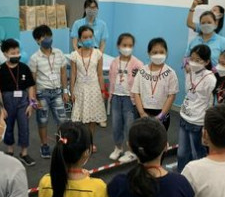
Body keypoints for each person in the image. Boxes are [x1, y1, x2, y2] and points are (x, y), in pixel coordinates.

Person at [29, 25, 69, 159]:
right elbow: (33, 80)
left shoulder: (59, 53)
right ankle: (44, 145)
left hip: (57, 92)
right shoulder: (34, 58)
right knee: (42, 121)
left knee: (62, 120)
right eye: (43, 37)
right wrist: (34, 98)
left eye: (49, 36)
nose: (47, 39)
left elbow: (63, 73)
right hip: (42, 94)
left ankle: (60, 145)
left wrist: (65, 91)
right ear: (37, 40)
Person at [0, 38, 37, 166]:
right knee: (8, 126)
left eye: (18, 52)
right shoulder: (0, 69)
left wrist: (31, 104)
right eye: (12, 53)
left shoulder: (24, 68)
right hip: (7, 101)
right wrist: (1, 107)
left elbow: (30, 86)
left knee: (24, 127)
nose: (16, 55)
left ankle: (24, 153)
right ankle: (10, 151)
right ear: (5, 54)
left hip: (23, 101)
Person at [178, 44, 217, 172]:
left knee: (197, 155)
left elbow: (210, 103)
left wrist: (206, 125)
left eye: (198, 60)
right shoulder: (189, 71)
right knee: (182, 153)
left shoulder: (210, 79)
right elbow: (188, 92)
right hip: (184, 116)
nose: (193, 62)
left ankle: (198, 178)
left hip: (197, 122)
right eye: (192, 59)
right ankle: (181, 176)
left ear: (206, 62)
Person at [70, 26, 107, 152]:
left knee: (92, 119)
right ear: (80, 39)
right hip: (80, 89)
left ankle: (90, 143)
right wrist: (71, 91)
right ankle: (81, 143)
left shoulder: (98, 54)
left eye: (90, 37)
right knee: (80, 119)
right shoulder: (75, 55)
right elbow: (73, 74)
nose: (88, 39)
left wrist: (103, 91)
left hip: (94, 89)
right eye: (85, 37)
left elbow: (100, 74)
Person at [108, 33, 143, 163]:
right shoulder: (114, 62)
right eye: (124, 45)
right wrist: (111, 95)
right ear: (118, 46)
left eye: (130, 45)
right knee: (116, 125)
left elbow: (141, 83)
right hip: (116, 97)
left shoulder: (137, 64)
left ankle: (131, 151)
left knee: (130, 126)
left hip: (130, 99)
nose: (127, 48)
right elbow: (111, 79)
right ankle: (118, 147)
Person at [131, 37, 178, 131]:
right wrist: (142, 113)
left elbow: (171, 96)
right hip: (142, 111)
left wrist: (161, 115)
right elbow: (136, 93)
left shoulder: (171, 73)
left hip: (162, 112)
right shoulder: (141, 71)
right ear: (149, 53)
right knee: (142, 136)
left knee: (159, 137)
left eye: (161, 52)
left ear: (166, 53)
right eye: (155, 52)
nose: (158, 55)